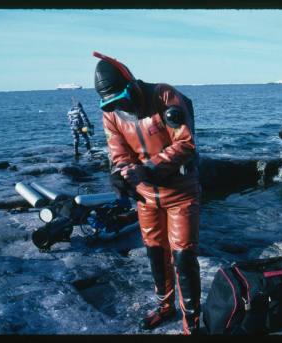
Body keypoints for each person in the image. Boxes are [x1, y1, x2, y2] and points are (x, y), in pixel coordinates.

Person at [93, 51, 201, 335]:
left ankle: (192, 323)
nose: (121, 105)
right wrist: (121, 174)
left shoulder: (164, 96)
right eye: (113, 103)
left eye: (123, 97)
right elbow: (118, 152)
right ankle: (165, 307)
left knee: (183, 257)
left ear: (131, 83)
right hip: (146, 196)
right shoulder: (112, 115)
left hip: (180, 194)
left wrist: (148, 168)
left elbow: (186, 144)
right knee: (155, 252)